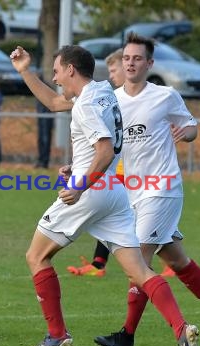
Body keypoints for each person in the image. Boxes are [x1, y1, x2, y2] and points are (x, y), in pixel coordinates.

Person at [10, 45, 199, 346]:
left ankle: (57, 334)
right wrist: (25, 70)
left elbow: (105, 150)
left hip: (91, 191)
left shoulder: (85, 105)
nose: (54, 78)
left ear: (71, 69)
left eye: (56, 71)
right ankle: (182, 329)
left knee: (36, 256)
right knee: (139, 271)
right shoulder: (102, 92)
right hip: (115, 192)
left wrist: (79, 185)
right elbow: (56, 103)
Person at [94, 33, 200, 346]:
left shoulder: (165, 95)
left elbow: (191, 126)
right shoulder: (112, 99)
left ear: (149, 64)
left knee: (137, 260)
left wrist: (186, 133)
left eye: (137, 59)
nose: (131, 63)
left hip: (162, 189)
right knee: (176, 260)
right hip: (132, 193)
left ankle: (132, 335)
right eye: (127, 58)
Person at [67, 48, 174, 278]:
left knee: (135, 243)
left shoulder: (141, 99)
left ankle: (102, 265)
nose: (113, 74)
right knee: (128, 225)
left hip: (144, 180)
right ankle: (100, 263)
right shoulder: (108, 97)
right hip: (123, 173)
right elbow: (59, 103)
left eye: (115, 69)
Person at [35, 100, 54, 168]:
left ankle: (45, 161)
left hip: (46, 115)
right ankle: (41, 160)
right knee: (40, 139)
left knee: (45, 138)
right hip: (41, 114)